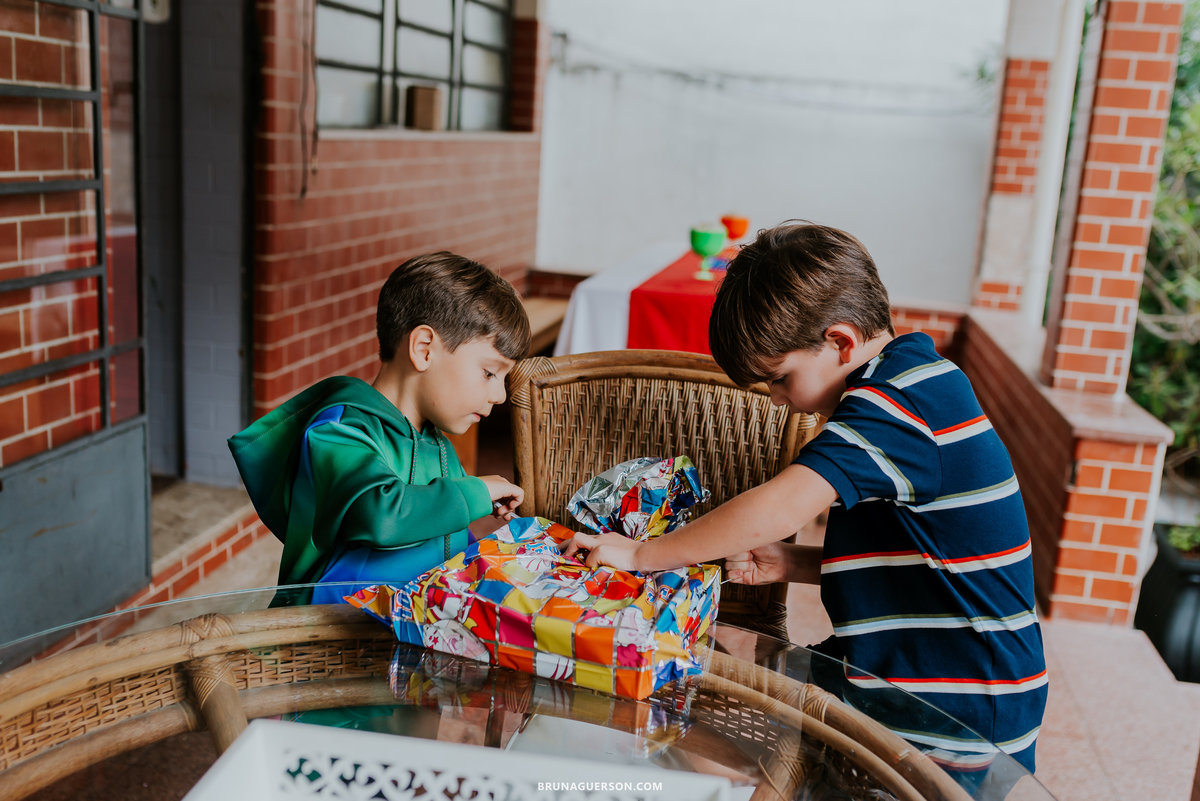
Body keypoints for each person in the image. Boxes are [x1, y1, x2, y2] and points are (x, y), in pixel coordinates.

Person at [564, 222, 1047, 775]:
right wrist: (794, 562)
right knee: (704, 724)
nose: (779, 402)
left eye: (780, 379)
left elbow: (780, 505)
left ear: (841, 342)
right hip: (913, 673)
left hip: (956, 708)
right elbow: (923, 560)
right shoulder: (914, 382)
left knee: (709, 743)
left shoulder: (896, 406)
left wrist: (642, 555)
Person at [228, 252, 527, 607]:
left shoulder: (440, 449)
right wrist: (473, 492)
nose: (499, 394)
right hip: (325, 644)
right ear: (424, 349)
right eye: (490, 373)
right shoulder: (339, 432)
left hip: (403, 634)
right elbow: (382, 514)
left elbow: (444, 546)